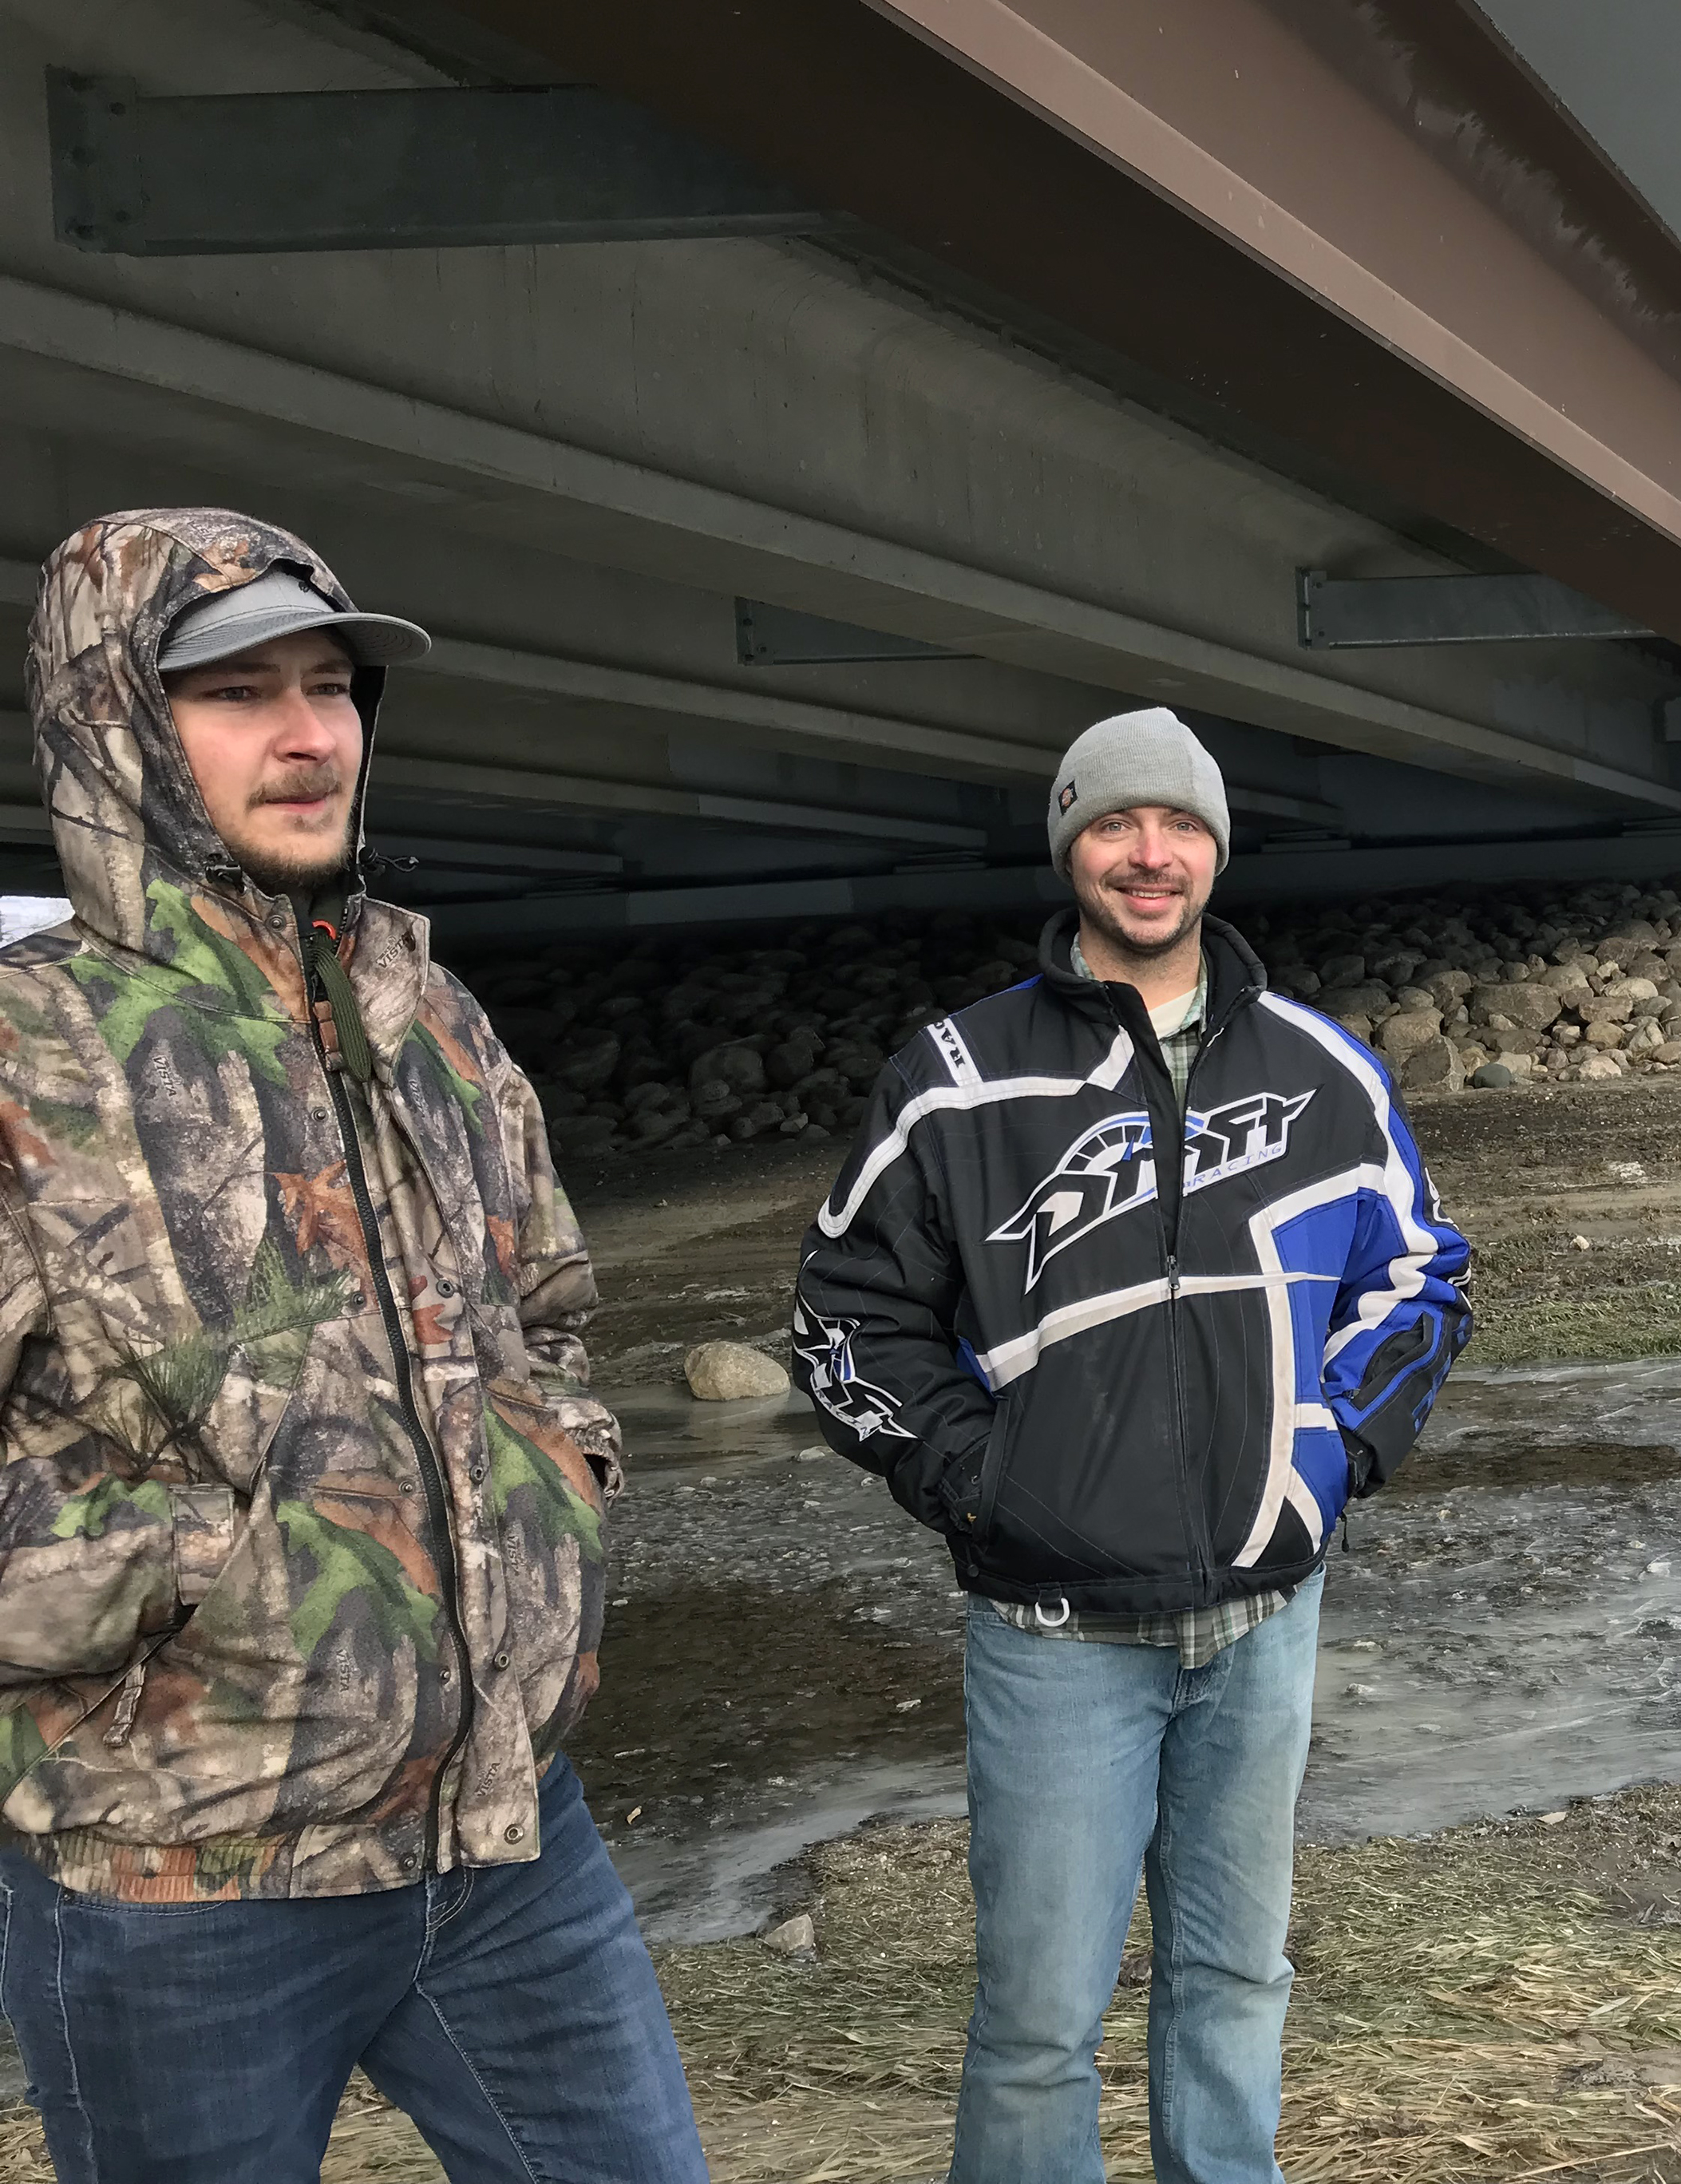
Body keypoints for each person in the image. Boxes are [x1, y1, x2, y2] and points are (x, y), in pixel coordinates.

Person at [0, 510, 702, 2182]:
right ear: (112, 719)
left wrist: (564, 1474)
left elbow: (551, 1315)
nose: (312, 735)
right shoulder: (33, 1057)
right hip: (184, 1889)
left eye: (332, 685)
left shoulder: (430, 1016)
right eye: (238, 692)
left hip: (508, 1843)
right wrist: (190, 1572)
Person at [795, 706, 1469, 2182]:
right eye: (1114, 824)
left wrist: (1332, 1459)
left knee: (1236, 1983)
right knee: (1038, 2022)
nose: (1148, 854)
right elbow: (844, 1315)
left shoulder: (1321, 1068)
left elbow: (1421, 1276)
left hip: (1262, 1620)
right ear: (1069, 845)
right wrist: (982, 1481)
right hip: (1053, 1642)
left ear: (1217, 850)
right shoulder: (959, 1079)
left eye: (1179, 827)